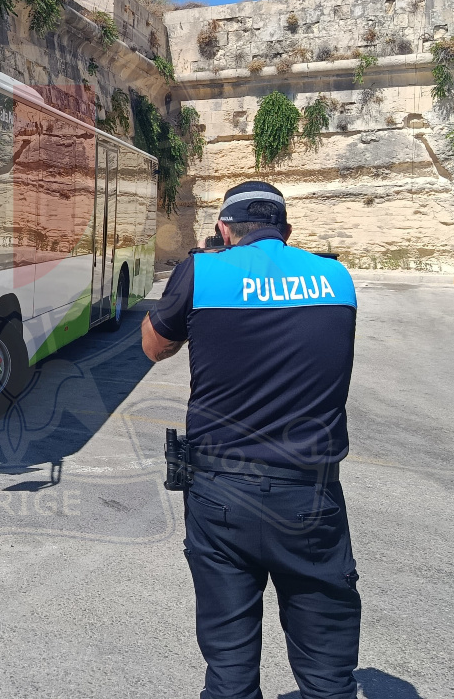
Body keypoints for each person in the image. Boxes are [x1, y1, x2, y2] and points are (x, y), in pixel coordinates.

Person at [141, 180, 361, 699]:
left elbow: (153, 346)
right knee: (328, 674)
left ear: (223, 229)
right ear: (287, 231)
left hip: (220, 493)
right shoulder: (335, 277)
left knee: (230, 669)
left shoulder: (203, 272)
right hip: (309, 495)